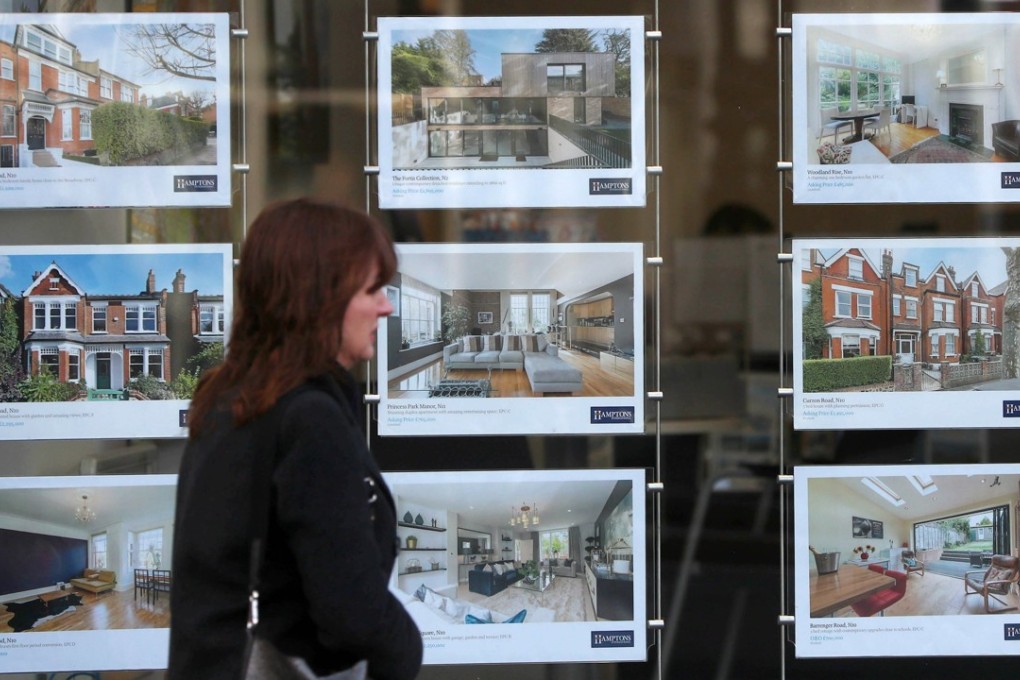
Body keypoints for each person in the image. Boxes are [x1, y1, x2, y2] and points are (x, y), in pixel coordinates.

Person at [168, 198, 422, 679]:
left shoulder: (230, 397)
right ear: (320, 296)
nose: (386, 306)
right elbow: (352, 611)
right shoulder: (308, 418)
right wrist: (403, 646)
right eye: (372, 289)